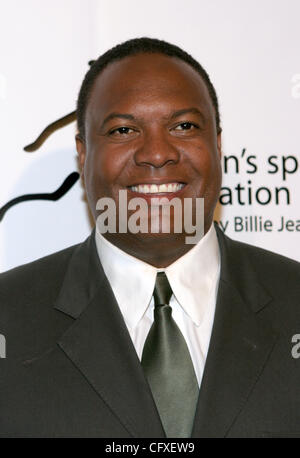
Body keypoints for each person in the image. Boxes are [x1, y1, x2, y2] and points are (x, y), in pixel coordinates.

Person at [0, 37, 299, 438]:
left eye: (184, 126)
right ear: (84, 154)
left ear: (218, 145)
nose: (157, 153)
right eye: (124, 129)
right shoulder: (9, 314)